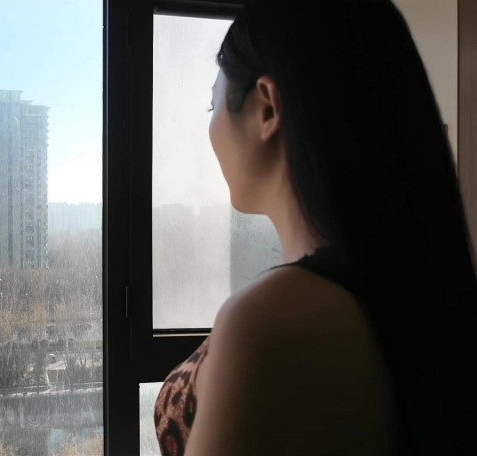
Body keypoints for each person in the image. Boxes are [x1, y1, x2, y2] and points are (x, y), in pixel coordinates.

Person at [153, 1, 477, 455]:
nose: (210, 125)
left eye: (213, 103)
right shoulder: (418, 287)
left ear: (267, 109)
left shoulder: (266, 323)